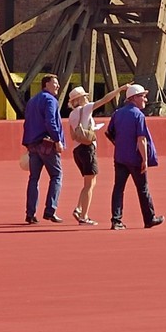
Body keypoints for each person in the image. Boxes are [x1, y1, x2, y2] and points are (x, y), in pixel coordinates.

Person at [105, 83, 163, 230]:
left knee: (118, 188)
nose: (145, 99)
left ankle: (116, 220)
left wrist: (120, 144)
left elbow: (109, 132)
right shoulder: (138, 115)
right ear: (134, 98)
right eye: (143, 96)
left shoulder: (117, 113)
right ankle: (149, 218)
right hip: (135, 159)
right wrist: (144, 159)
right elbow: (141, 139)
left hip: (120, 157)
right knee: (143, 189)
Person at [21, 70, 65, 224]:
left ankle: (30, 213)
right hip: (46, 144)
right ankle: (50, 210)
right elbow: (50, 121)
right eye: (55, 83)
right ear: (46, 84)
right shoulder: (50, 100)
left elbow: (27, 122)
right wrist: (57, 140)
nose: (58, 85)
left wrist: (27, 143)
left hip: (32, 144)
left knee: (34, 178)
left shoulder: (32, 101)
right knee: (56, 176)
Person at [64, 83, 109, 225]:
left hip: (78, 150)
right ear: (80, 99)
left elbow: (73, 135)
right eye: (85, 97)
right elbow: (104, 100)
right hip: (87, 149)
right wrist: (120, 89)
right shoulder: (86, 108)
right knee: (89, 184)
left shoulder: (72, 114)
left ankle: (79, 208)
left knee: (89, 182)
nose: (87, 99)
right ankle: (84, 216)